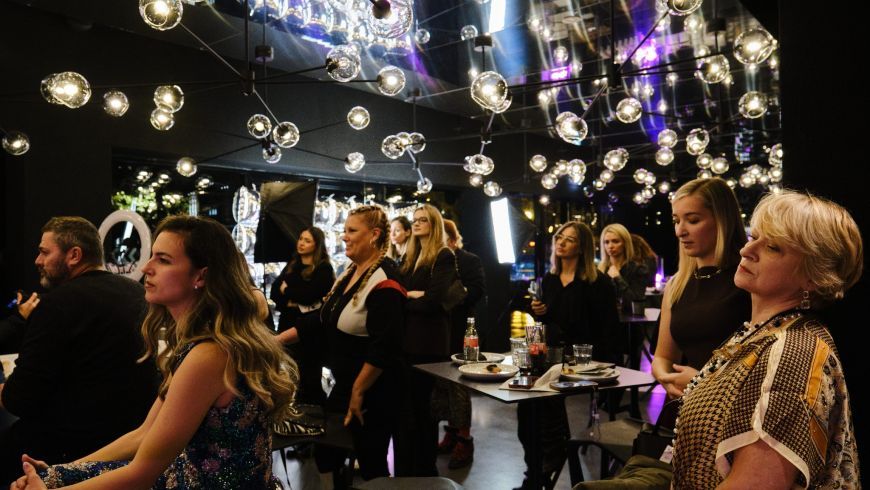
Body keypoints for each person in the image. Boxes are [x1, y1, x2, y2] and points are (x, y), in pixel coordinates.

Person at [11, 215, 298, 489]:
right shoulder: (200, 345)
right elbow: (141, 436)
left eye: (163, 260)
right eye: (152, 257)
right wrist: (58, 473)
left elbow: (143, 473)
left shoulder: (209, 355)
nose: (147, 267)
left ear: (200, 276)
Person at [672, 191, 861, 488]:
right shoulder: (764, 333)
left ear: (813, 276)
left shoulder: (793, 353)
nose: (747, 250)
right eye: (754, 237)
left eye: (772, 247)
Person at [0, 217, 158, 484]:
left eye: (44, 252)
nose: (38, 260)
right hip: (127, 442)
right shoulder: (137, 295)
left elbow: (19, 398)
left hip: (67, 447)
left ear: (74, 255)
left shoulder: (57, 305)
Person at [276, 205, 405, 481]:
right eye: (345, 230)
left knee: (371, 464)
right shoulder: (351, 272)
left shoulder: (386, 279)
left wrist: (358, 391)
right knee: (328, 456)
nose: (344, 237)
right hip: (347, 385)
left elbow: (385, 346)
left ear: (374, 235)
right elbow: (321, 318)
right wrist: (275, 341)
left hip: (374, 390)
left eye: (351, 231)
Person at [520, 221, 620, 489]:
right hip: (552, 356)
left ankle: (550, 458)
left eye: (569, 239)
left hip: (585, 360)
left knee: (544, 397)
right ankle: (535, 470)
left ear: (582, 246)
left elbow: (608, 329)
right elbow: (549, 322)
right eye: (559, 237)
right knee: (525, 404)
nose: (561, 242)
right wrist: (538, 312)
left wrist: (606, 367)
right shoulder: (550, 280)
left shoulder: (598, 283)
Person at [652, 178, 751, 401]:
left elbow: (763, 361)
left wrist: (703, 380)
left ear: (722, 221)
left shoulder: (749, 279)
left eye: (693, 220)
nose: (680, 231)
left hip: (731, 405)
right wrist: (666, 379)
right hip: (683, 405)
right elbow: (662, 357)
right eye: (676, 221)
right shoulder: (677, 285)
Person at [395, 204, 457, 477]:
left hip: (429, 344)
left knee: (424, 410)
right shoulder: (409, 257)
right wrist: (412, 295)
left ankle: (425, 468)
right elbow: (398, 293)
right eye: (415, 220)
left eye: (423, 220)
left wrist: (408, 298)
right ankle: (410, 467)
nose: (417, 223)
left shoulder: (443, 255)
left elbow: (434, 301)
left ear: (434, 224)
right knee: (408, 408)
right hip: (408, 340)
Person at [433, 219, 486, 469]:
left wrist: (449, 294)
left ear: (452, 239)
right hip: (438, 332)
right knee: (441, 385)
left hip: (463, 331)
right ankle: (452, 432)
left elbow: (476, 291)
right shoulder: (430, 259)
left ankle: (464, 439)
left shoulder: (469, 260)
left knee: (459, 386)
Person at [270, 226, 335, 405]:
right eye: (300, 239)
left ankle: (313, 409)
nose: (301, 243)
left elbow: (310, 295)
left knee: (309, 372)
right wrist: (292, 300)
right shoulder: (292, 265)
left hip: (309, 328)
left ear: (317, 245)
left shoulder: (323, 268)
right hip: (287, 322)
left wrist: (288, 291)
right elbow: (275, 292)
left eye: (307, 240)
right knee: (290, 370)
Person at [598, 223, 648, 310]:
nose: (610, 246)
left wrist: (618, 278)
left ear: (625, 243)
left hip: (629, 317)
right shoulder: (600, 270)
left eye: (615, 241)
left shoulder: (638, 269)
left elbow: (636, 301)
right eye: (606, 242)